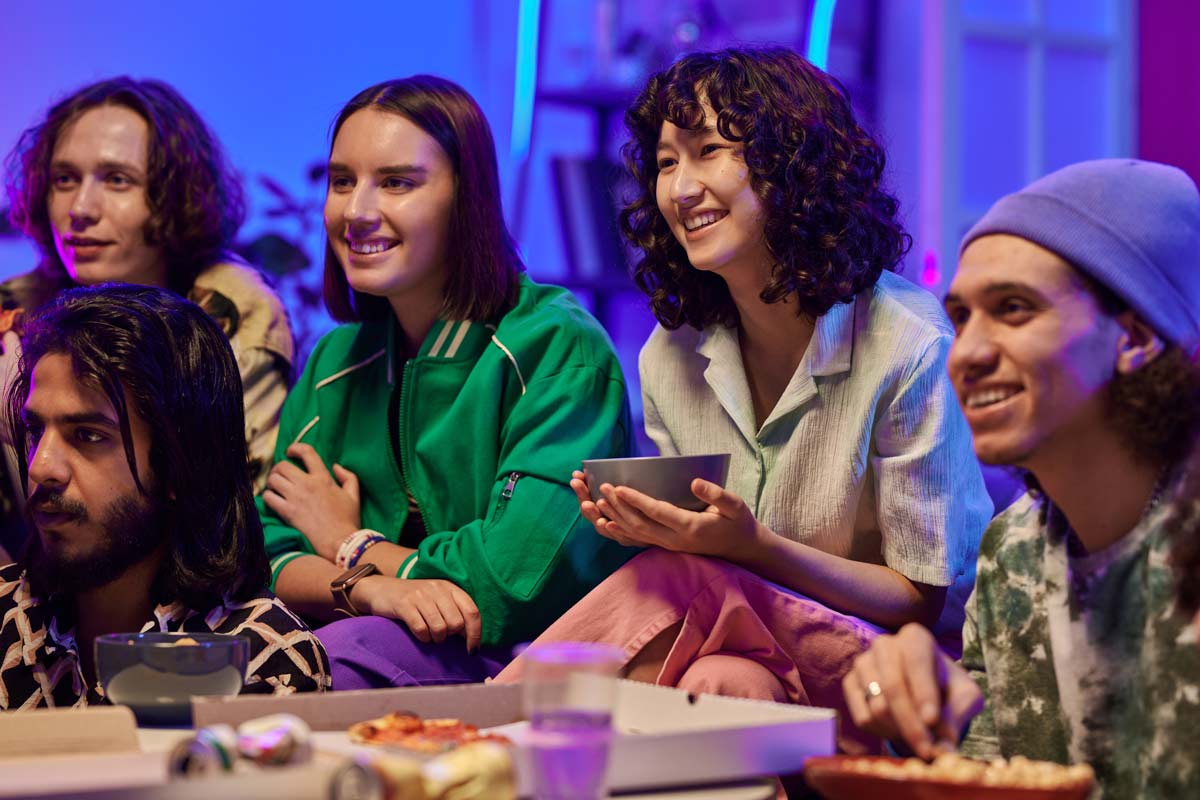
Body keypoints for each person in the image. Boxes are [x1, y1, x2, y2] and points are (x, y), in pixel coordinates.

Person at [496, 46, 990, 752]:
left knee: (682, 576)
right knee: (730, 687)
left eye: (708, 151)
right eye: (666, 162)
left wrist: (752, 547)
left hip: (894, 678)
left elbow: (922, 599)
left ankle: (476, 747)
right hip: (753, 654)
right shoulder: (671, 355)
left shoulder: (907, 343)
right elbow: (707, 567)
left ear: (794, 165)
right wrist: (646, 523)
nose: (680, 188)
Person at [258, 76, 636, 688]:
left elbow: (506, 585)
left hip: (532, 674)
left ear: (467, 198)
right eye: (342, 181)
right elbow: (267, 552)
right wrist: (374, 592)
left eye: (397, 182)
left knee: (331, 657)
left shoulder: (558, 347)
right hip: (365, 646)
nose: (356, 211)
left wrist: (350, 545)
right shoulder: (333, 361)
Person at [843, 159, 1200, 797]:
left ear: (1135, 337)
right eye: (963, 315)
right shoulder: (1013, 553)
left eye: (1013, 309)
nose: (968, 352)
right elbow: (985, 779)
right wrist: (914, 716)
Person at [1, 77, 294, 554]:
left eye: (117, 180)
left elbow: (224, 529)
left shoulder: (232, 311)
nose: (80, 209)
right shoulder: (15, 305)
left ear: (176, 196)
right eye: (64, 179)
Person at [0, 285, 328, 709]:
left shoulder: (260, 662)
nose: (40, 467)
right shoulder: (9, 618)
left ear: (179, 464)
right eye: (34, 431)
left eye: (87, 435)